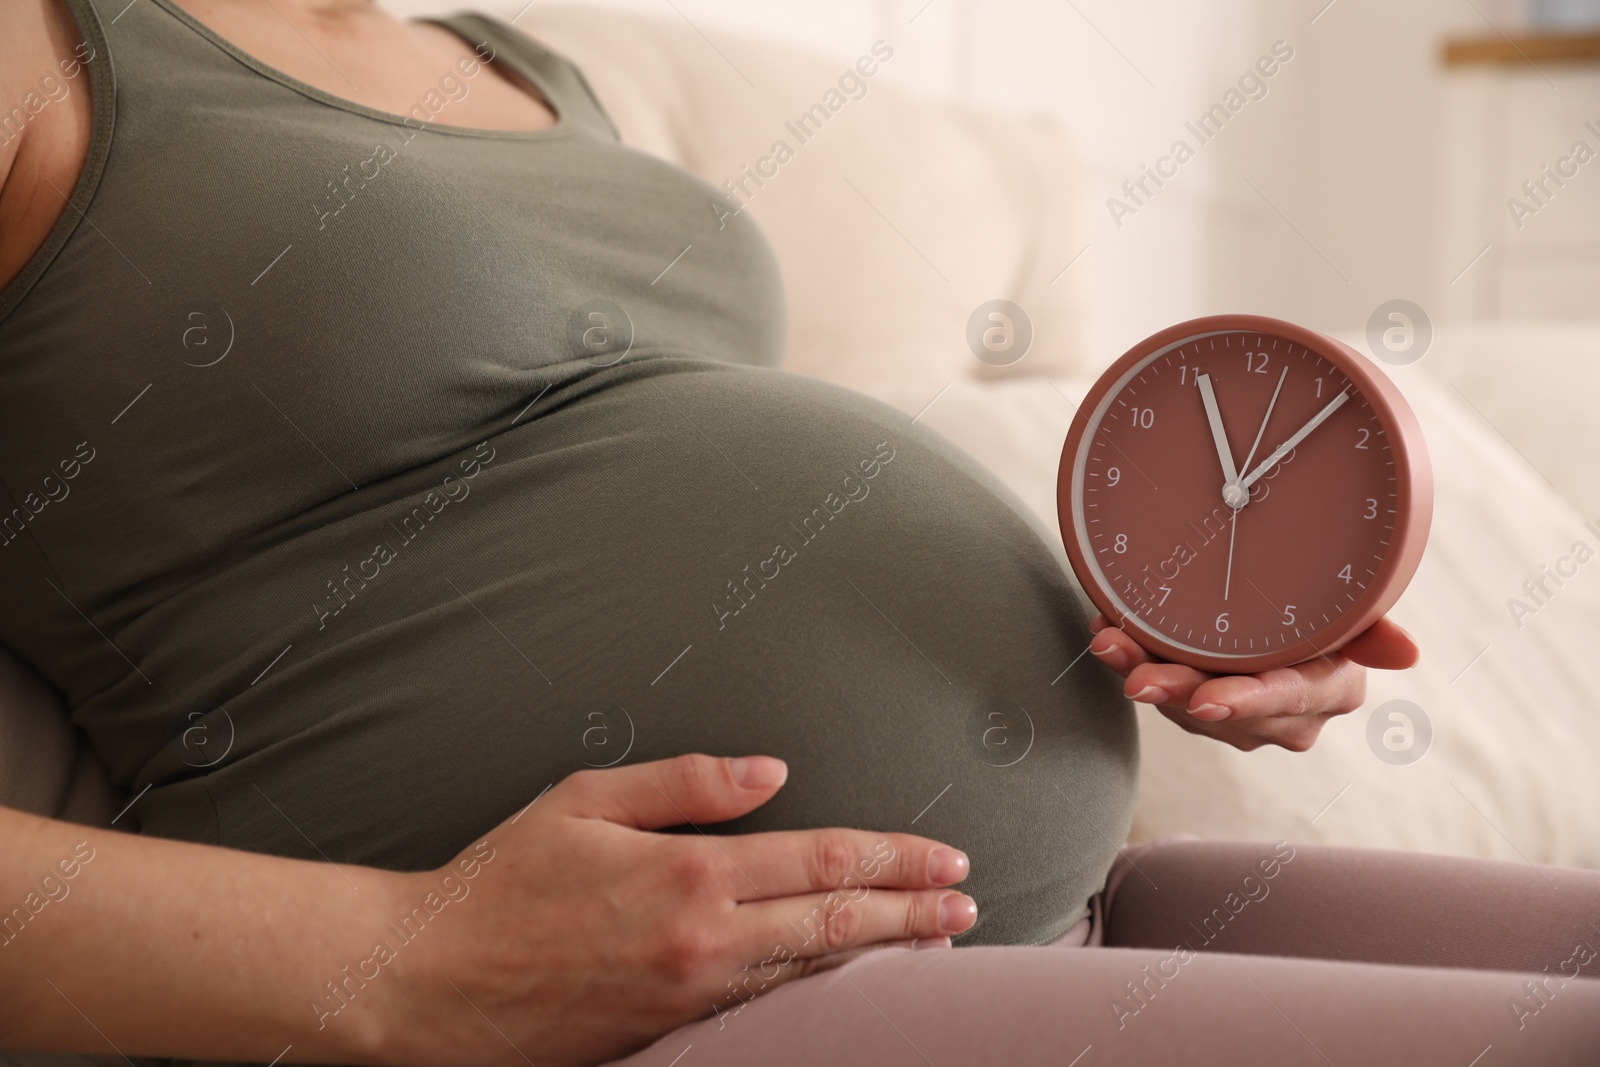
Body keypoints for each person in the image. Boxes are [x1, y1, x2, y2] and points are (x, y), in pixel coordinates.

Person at [0, 2, 1595, 1065]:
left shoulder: (523, 67)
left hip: (1020, 918)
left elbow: (629, 498)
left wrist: (1178, 612)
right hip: (639, 1009)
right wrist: (407, 960)